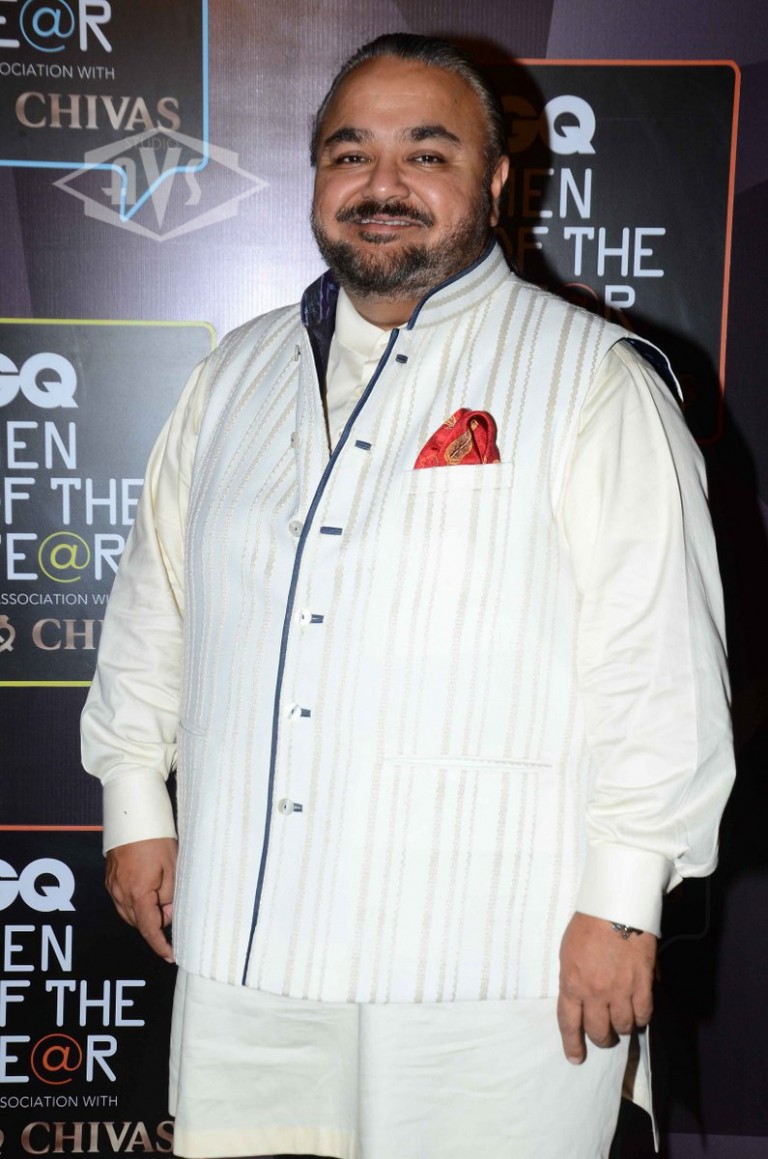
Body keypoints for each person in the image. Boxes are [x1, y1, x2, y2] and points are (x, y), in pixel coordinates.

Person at [81, 32, 735, 1159]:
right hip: (246, 951)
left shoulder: (595, 381)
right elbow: (156, 607)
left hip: (496, 969)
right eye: (351, 154)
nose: (381, 184)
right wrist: (135, 799)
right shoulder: (230, 375)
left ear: (496, 179)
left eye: (426, 154)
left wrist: (627, 903)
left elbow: (660, 669)